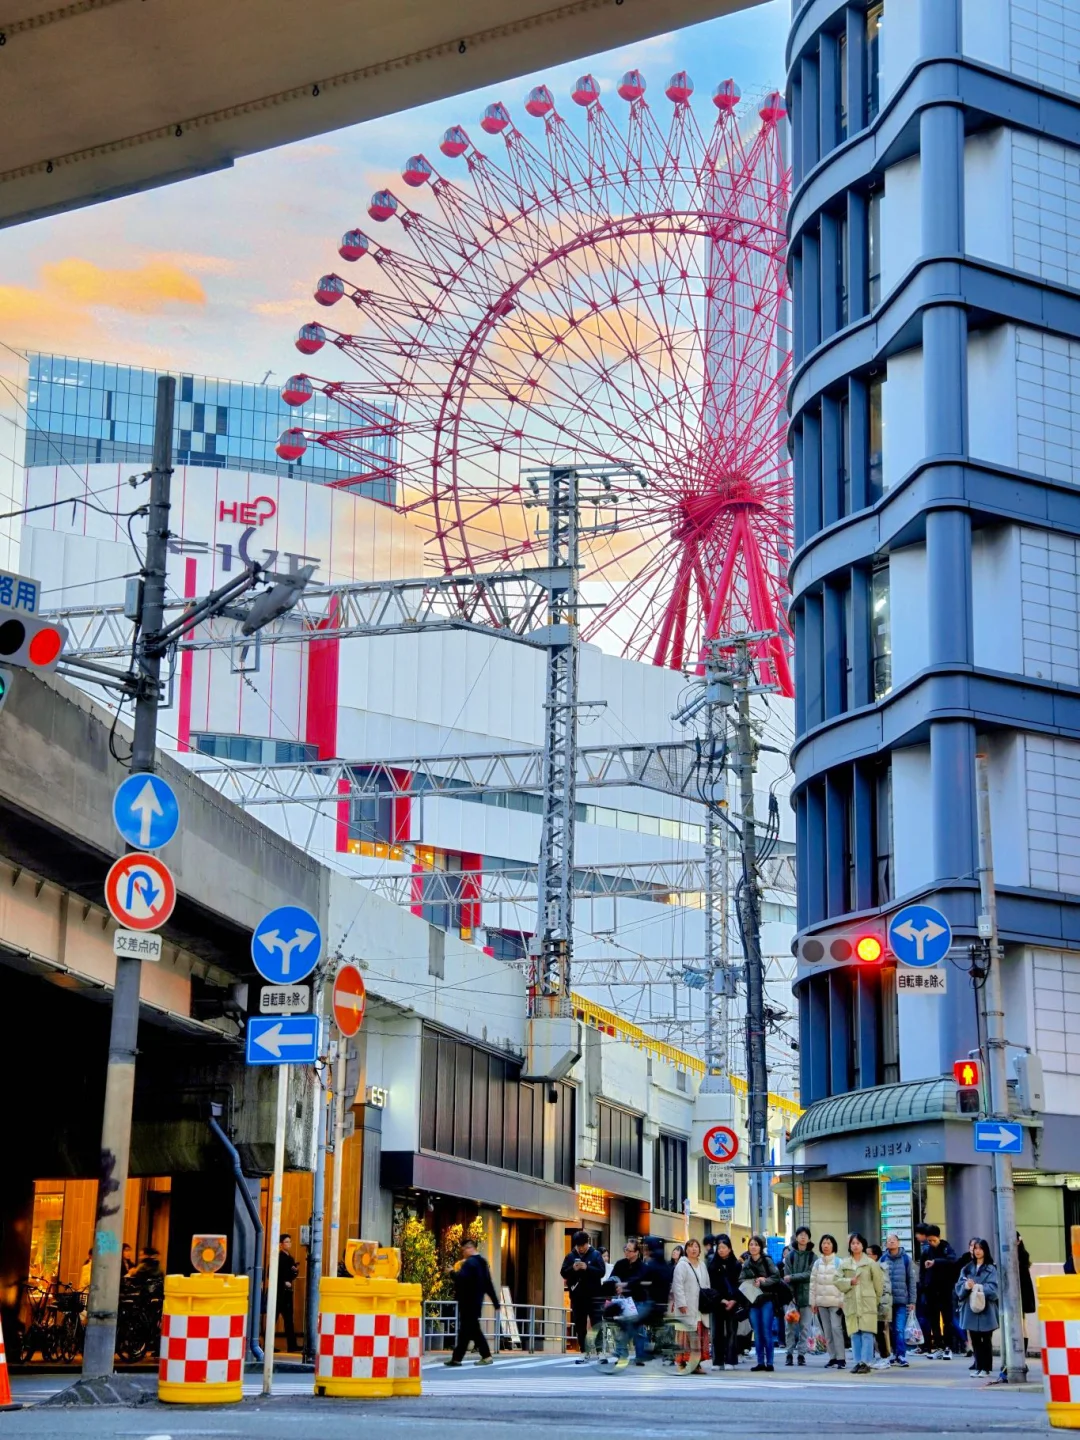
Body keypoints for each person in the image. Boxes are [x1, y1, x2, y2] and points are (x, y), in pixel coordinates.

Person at [445, 1237, 499, 1366]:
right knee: (467, 1331)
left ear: (470, 1248)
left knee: (470, 1330)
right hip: (476, 1302)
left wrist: (452, 1272)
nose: (463, 1253)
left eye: (464, 1250)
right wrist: (495, 1302)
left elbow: (461, 1279)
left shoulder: (469, 1264)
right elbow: (488, 1284)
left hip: (467, 1301)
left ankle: (485, 1356)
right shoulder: (483, 1262)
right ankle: (457, 1358)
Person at [837, 1233, 883, 1374]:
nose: (855, 1246)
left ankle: (866, 1362)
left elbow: (878, 1286)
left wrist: (874, 1300)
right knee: (854, 1333)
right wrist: (849, 1282)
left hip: (867, 1302)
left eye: (857, 1243)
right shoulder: (844, 1263)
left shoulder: (871, 1264)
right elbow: (836, 1280)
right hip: (851, 1302)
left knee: (867, 1332)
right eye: (852, 1243)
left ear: (863, 1245)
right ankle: (858, 1362)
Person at [955, 1237, 999, 1377]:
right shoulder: (967, 1268)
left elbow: (994, 1289)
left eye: (980, 1248)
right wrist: (966, 1286)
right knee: (974, 1339)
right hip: (971, 1308)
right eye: (975, 1248)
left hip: (986, 1308)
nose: (978, 1251)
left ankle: (986, 1368)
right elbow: (959, 1288)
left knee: (986, 1339)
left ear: (985, 1250)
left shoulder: (991, 1268)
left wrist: (978, 1287)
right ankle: (978, 1366)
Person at [561, 1231, 605, 1364]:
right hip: (577, 1296)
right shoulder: (570, 1256)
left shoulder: (596, 1254)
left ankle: (600, 1352)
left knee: (596, 1323)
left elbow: (601, 1272)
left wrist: (587, 1267)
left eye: (583, 1245)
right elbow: (563, 1272)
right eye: (578, 1246)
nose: (581, 1248)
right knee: (580, 1325)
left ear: (588, 1243)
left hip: (594, 1295)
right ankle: (583, 1351)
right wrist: (573, 1269)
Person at [741, 1234, 782, 1372]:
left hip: (767, 1299)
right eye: (751, 1244)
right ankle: (760, 1362)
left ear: (761, 1247)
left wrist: (764, 1281)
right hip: (753, 1301)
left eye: (756, 1245)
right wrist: (751, 1282)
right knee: (757, 1332)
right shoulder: (746, 1263)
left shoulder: (767, 1261)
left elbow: (776, 1277)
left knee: (766, 1331)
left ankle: (769, 1362)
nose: (753, 1247)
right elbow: (740, 1280)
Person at [671, 1237, 712, 1375]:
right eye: (690, 1246)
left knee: (699, 1334)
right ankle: (682, 1362)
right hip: (687, 1306)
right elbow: (678, 1286)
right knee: (685, 1336)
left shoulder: (702, 1265)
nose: (694, 1249)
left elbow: (706, 1284)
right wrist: (681, 1303)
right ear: (686, 1250)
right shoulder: (682, 1265)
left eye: (696, 1246)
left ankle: (697, 1363)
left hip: (700, 1306)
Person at [604, 1239, 645, 1369]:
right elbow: (612, 1279)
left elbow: (641, 1284)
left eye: (629, 1250)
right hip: (621, 1300)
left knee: (639, 1329)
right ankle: (622, 1355)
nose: (626, 1252)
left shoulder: (642, 1267)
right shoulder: (620, 1264)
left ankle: (640, 1356)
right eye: (625, 1249)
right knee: (621, 1328)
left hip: (637, 1300)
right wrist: (614, 1287)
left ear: (637, 1252)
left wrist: (626, 1287)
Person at [708, 1233, 744, 1369]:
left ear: (730, 1248)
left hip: (732, 1303)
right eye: (719, 1248)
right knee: (717, 1332)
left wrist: (734, 1300)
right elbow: (710, 1285)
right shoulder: (712, 1265)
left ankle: (731, 1360)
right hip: (717, 1302)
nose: (721, 1250)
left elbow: (740, 1285)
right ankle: (717, 1361)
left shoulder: (736, 1265)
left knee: (731, 1331)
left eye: (724, 1247)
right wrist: (721, 1299)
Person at [881, 1232, 916, 1368]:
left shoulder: (906, 1259)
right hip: (887, 1301)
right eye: (888, 1240)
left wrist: (912, 1301)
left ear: (898, 1243)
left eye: (893, 1240)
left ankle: (901, 1355)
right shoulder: (883, 1259)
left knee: (899, 1328)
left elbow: (911, 1281)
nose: (891, 1242)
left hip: (901, 1301)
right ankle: (893, 1354)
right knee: (888, 1329)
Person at [922, 1225, 958, 1359]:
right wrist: (924, 1286)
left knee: (947, 1319)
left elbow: (952, 1261)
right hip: (931, 1290)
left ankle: (948, 1347)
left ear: (939, 1238)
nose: (931, 1243)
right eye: (929, 1241)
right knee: (934, 1320)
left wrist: (935, 1262)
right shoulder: (926, 1251)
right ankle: (938, 1346)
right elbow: (922, 1271)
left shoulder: (947, 1248)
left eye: (933, 1240)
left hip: (945, 1289)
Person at [810, 1234, 845, 1368]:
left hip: (836, 1303)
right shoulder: (817, 1263)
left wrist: (842, 1301)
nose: (826, 1245)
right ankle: (832, 1357)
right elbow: (812, 1284)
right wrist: (812, 1302)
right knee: (827, 1331)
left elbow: (842, 1283)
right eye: (824, 1243)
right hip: (821, 1303)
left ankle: (841, 1358)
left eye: (829, 1243)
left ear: (833, 1246)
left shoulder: (838, 1262)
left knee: (836, 1329)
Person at [783, 1226, 815, 1367]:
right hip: (792, 1298)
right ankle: (789, 1354)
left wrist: (793, 1277)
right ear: (796, 1237)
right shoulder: (790, 1256)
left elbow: (810, 1275)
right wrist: (790, 1296)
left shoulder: (812, 1257)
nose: (803, 1237)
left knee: (804, 1328)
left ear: (808, 1238)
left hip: (807, 1297)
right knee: (789, 1327)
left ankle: (801, 1354)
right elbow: (786, 1277)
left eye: (805, 1235)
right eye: (800, 1235)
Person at [867, 1244, 892, 1368]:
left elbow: (883, 1288)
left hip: (879, 1306)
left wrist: (879, 1303)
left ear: (875, 1256)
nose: (865, 1257)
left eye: (868, 1254)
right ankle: (879, 1356)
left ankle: (885, 1357)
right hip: (871, 1305)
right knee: (874, 1332)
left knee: (880, 1332)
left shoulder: (880, 1269)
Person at [275, 1234, 299, 1353]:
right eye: (286, 1242)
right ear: (281, 1244)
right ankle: (268, 1344)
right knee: (275, 1317)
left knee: (289, 1319)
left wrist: (295, 1272)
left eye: (290, 1242)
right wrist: (284, 1282)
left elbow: (293, 1274)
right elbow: (275, 1274)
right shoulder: (279, 1257)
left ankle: (292, 1345)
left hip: (287, 1292)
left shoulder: (290, 1258)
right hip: (280, 1292)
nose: (289, 1244)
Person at [1017, 1233, 1036, 1357]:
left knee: (1022, 1323)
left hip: (1021, 1293)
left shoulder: (1022, 1255)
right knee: (1021, 1322)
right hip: (1019, 1293)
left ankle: (1022, 1352)